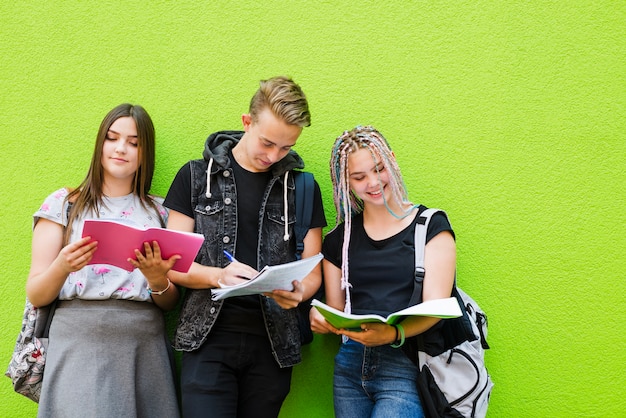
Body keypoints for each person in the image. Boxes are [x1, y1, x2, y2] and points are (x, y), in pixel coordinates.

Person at [163, 76, 326, 418]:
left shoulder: (303, 188)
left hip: (274, 345)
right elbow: (173, 263)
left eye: (286, 147)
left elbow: (313, 270)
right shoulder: (194, 178)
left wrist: (298, 291)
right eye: (267, 143)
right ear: (246, 122)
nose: (275, 155)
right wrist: (218, 276)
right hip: (207, 339)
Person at [26, 103, 181, 418]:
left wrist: (156, 279)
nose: (121, 148)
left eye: (134, 142)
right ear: (101, 143)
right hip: (77, 344)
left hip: (143, 347)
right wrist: (63, 266)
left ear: (145, 153)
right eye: (112, 138)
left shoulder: (162, 213)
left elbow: (170, 303)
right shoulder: (64, 205)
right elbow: (36, 293)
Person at [310, 126, 457, 418]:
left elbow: (438, 306)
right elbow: (336, 308)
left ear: (391, 159)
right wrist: (320, 317)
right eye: (359, 177)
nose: (373, 182)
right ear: (345, 182)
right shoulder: (339, 239)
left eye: (379, 169)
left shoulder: (430, 227)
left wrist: (393, 333)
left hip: (405, 364)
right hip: (349, 366)